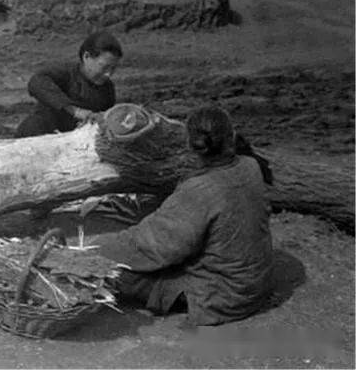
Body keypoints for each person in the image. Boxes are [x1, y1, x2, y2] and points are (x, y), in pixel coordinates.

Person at [92, 106, 273, 326]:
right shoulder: (251, 166)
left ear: (190, 144)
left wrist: (95, 249)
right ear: (232, 137)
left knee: (118, 272)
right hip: (256, 283)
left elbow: (157, 245)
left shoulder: (201, 189)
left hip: (226, 295)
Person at [15, 30, 123, 138]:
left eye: (113, 68)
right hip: (37, 135)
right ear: (86, 57)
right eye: (104, 67)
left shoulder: (107, 89)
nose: (108, 74)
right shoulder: (65, 72)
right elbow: (36, 82)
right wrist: (76, 111)